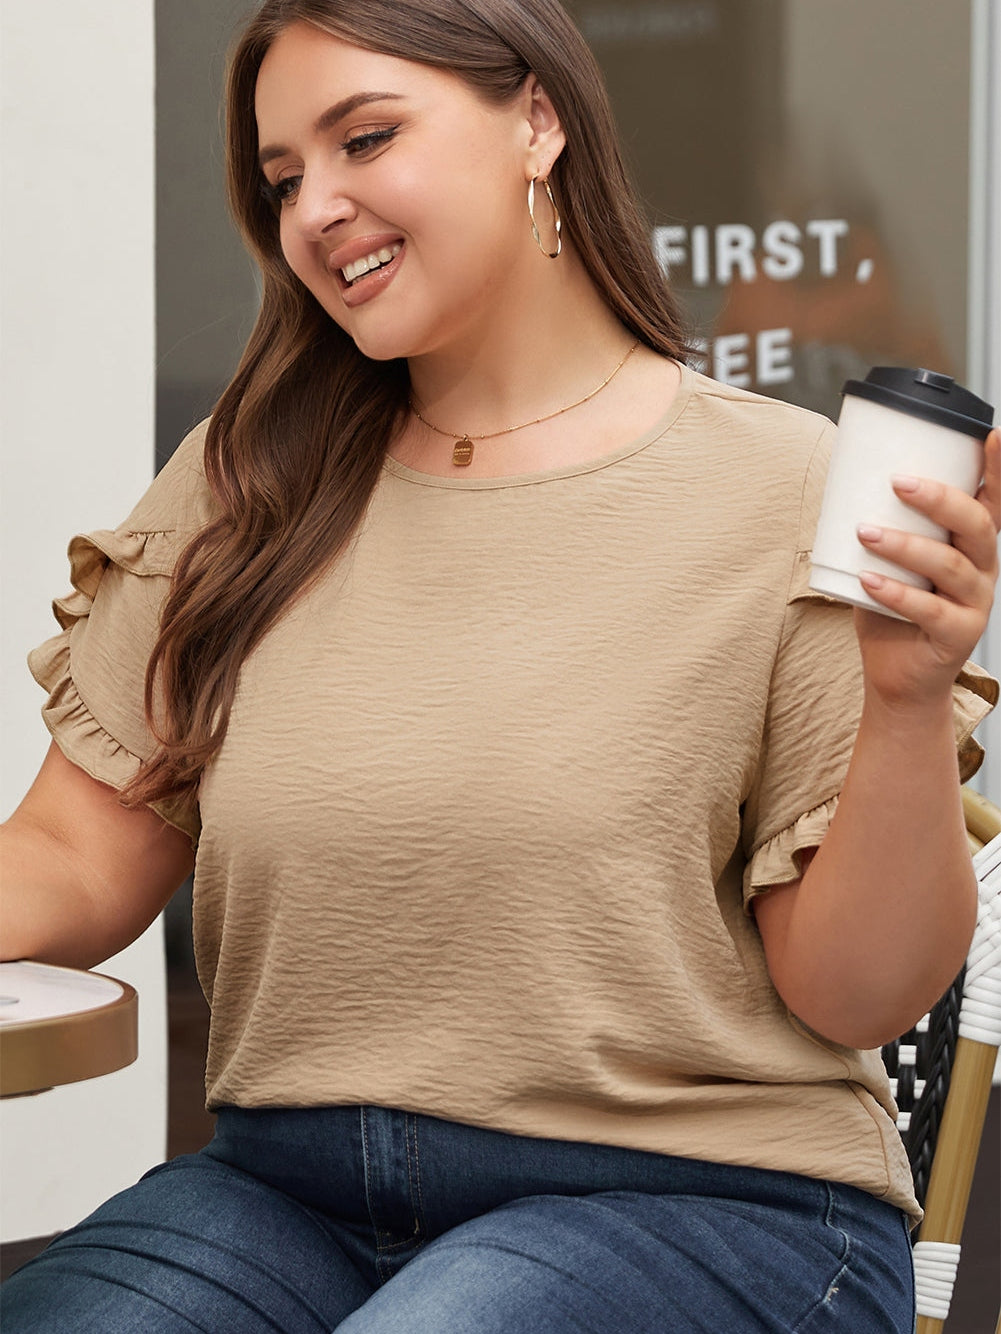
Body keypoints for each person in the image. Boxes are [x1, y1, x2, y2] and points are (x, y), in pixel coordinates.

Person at [1, 1, 998, 1329]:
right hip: (282, 1192)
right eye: (285, 176)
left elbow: (860, 989)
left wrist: (904, 695)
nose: (316, 208)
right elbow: (71, 857)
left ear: (536, 120)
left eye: (365, 138)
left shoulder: (786, 492)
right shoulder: (248, 486)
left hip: (704, 1204)